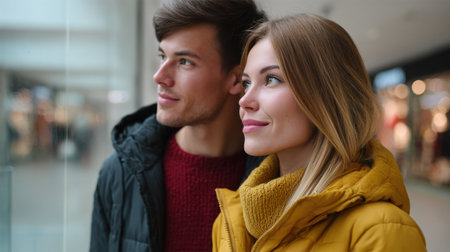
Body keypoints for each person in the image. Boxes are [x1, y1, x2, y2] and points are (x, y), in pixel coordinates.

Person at [212, 13, 427, 251]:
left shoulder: (381, 232)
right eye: (246, 83)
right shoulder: (230, 218)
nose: (245, 101)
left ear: (325, 95)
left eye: (271, 79)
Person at [89, 0, 267, 251]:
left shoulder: (282, 175)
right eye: (163, 56)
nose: (160, 76)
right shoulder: (119, 173)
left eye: (184, 61)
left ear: (236, 78)